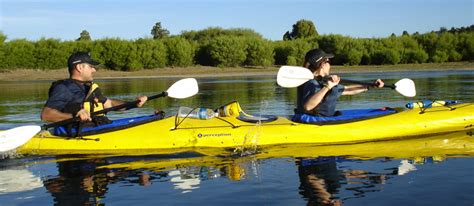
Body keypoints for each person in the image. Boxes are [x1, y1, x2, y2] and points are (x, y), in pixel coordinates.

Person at [40, 51, 148, 126]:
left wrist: (134, 104)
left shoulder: (90, 87)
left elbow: (109, 104)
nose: (94, 70)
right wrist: (73, 116)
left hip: (99, 126)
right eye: (91, 66)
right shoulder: (64, 88)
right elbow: (46, 114)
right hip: (80, 133)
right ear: (79, 67)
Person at [295, 48, 384, 116]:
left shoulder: (324, 81)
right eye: (329, 61)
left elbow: (348, 90)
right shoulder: (311, 83)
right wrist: (327, 87)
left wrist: (371, 85)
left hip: (323, 121)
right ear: (323, 65)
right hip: (315, 123)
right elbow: (308, 106)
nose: (330, 64)